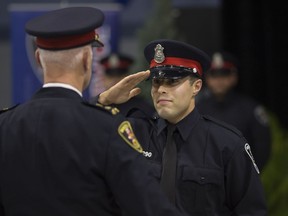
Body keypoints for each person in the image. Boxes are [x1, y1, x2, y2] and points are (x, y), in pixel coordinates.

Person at [0, 8, 188, 216]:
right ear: (87, 60)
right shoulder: (105, 128)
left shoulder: (5, 124)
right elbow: (149, 206)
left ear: (38, 58)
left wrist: (100, 101)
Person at [98, 39, 268, 215]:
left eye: (172, 82)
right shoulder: (132, 134)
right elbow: (82, 148)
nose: (161, 89)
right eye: (156, 82)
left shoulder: (227, 144)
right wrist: (103, 102)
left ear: (196, 86)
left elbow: (252, 211)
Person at [196, 51, 271, 171]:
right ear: (207, 78)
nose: (219, 79)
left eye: (224, 74)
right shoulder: (197, 109)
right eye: (214, 74)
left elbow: (262, 148)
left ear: (234, 77)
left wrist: (248, 177)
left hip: (242, 180)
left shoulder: (250, 109)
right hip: (206, 181)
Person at [90, 53, 155, 117]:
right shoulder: (95, 106)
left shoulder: (143, 108)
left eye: (119, 75)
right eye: (111, 76)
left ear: (128, 77)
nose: (115, 80)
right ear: (103, 79)